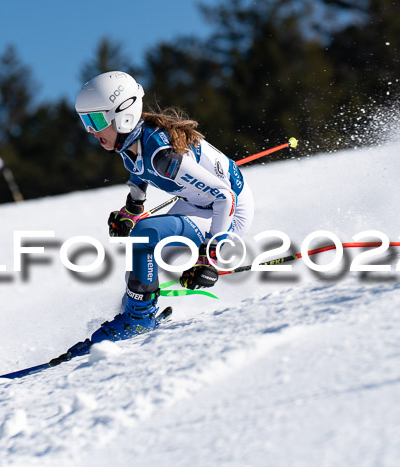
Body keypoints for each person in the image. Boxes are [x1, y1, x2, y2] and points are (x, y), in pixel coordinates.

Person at [53, 71, 254, 360]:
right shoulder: (127, 142)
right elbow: (138, 173)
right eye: (85, 121)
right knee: (140, 263)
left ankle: (139, 320)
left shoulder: (163, 156)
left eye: (96, 121)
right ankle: (136, 313)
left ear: (122, 115)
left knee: (146, 235)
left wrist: (208, 256)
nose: (91, 131)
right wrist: (132, 208)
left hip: (227, 212)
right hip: (198, 204)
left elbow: (225, 197)